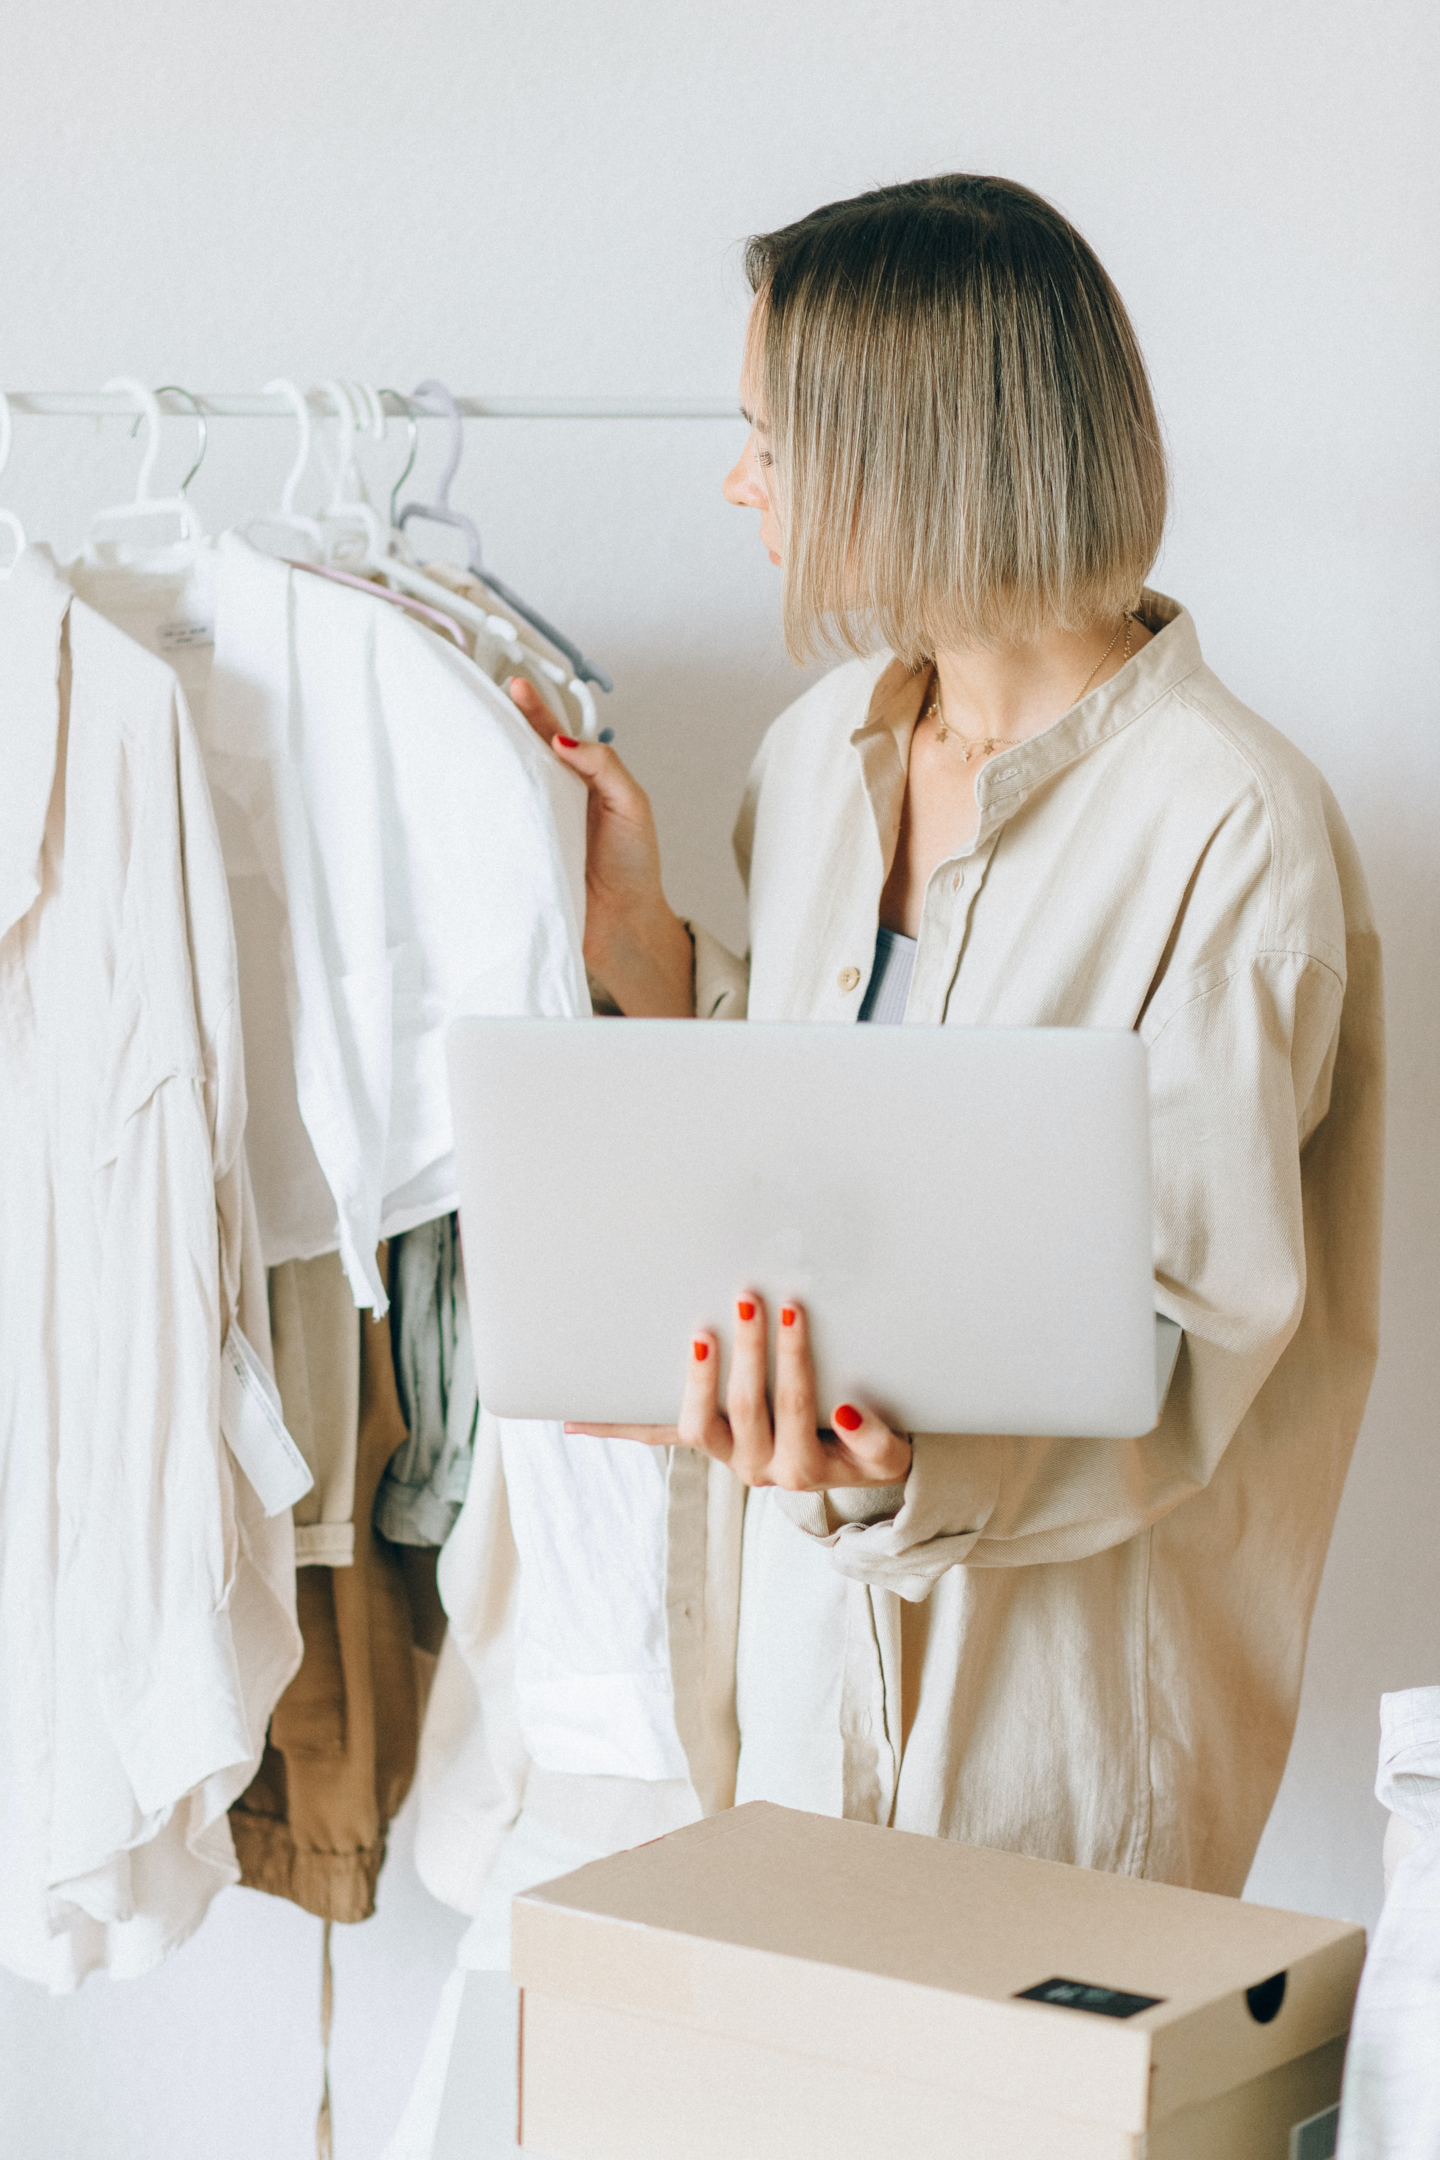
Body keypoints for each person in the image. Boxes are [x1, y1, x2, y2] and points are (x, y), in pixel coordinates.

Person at [506, 174, 1384, 1894]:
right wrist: (657, 953)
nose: (738, 475)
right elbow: (825, 1134)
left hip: (1048, 1768)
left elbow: (1190, 1355)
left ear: (908, 452)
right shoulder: (823, 749)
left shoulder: (1233, 829)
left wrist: (888, 1466)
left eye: (770, 432)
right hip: (794, 1711)